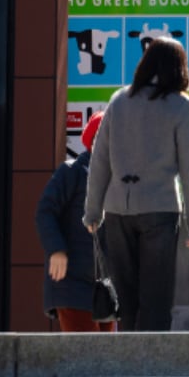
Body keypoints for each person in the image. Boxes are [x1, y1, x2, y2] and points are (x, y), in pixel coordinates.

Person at [83, 36, 189, 333]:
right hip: (159, 209)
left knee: (126, 299)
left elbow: (99, 160)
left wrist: (92, 212)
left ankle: (129, 362)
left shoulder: (119, 100)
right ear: (180, 68)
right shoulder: (182, 107)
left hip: (116, 211)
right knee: (157, 297)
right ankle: (153, 363)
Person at [36, 112, 114, 332]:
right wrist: (56, 249)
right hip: (71, 282)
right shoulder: (72, 171)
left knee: (106, 360)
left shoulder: (118, 176)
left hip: (106, 286)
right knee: (85, 358)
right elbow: (45, 212)